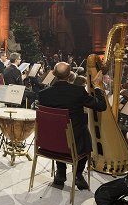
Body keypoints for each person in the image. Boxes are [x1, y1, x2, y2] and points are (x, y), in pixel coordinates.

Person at [38, 62, 107, 190]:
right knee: (84, 135)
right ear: (70, 75)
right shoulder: (78, 92)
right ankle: (78, 174)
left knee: (59, 132)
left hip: (49, 142)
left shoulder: (43, 94)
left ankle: (60, 172)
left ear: (53, 74)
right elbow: (101, 106)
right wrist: (98, 88)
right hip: (74, 143)